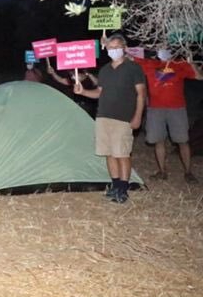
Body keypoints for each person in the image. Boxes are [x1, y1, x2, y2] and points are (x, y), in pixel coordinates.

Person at [73, 33, 146, 204]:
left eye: (117, 47)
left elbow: (141, 94)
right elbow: (99, 92)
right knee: (109, 153)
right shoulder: (105, 70)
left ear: (124, 48)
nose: (114, 50)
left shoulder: (133, 68)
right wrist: (83, 92)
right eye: (111, 47)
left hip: (123, 118)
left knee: (122, 154)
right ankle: (115, 185)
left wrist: (137, 116)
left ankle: (123, 189)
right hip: (103, 117)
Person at [132, 48, 203, 183]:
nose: (162, 50)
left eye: (165, 47)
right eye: (160, 47)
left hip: (177, 109)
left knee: (183, 141)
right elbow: (127, 56)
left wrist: (191, 63)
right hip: (155, 109)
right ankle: (162, 171)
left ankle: (188, 172)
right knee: (158, 140)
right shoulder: (149, 64)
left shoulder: (180, 65)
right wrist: (107, 44)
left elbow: (199, 76)